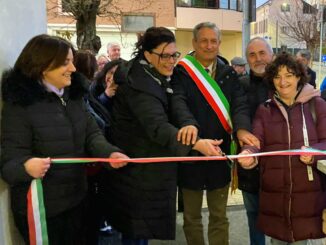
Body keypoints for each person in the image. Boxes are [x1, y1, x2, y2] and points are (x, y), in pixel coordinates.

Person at [0, 34, 128, 245]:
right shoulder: (20, 105)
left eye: (72, 61)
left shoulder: (74, 95)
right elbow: (9, 163)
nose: (73, 69)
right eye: (65, 63)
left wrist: (109, 153)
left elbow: (92, 134)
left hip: (77, 200)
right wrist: (26, 167)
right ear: (43, 66)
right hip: (44, 211)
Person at [102, 26, 222, 245]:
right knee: (135, 232)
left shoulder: (153, 74)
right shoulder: (137, 84)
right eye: (164, 56)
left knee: (140, 231)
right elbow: (157, 126)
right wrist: (196, 144)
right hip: (136, 172)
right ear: (148, 54)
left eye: (174, 55)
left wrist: (189, 125)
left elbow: (176, 102)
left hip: (146, 170)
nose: (171, 61)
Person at [170, 22, 258, 245]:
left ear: (219, 43)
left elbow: (239, 105)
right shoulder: (181, 71)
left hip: (219, 152)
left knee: (219, 216)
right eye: (204, 41)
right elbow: (178, 101)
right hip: (191, 150)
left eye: (213, 41)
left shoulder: (229, 73)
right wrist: (189, 125)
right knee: (191, 217)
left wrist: (242, 129)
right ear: (194, 43)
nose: (209, 46)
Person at [238, 52, 326, 244]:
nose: (282, 81)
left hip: (309, 198)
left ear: (298, 77)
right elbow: (256, 141)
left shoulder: (317, 105)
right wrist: (248, 154)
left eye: (288, 75)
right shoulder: (265, 109)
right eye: (277, 76)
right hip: (275, 197)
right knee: (277, 241)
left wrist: (313, 154)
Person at [237, 37, 274, 245]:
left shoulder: (285, 82)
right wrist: (241, 131)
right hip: (249, 162)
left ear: (271, 55)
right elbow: (237, 112)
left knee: (281, 217)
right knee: (254, 216)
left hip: (280, 165)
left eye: (262, 53)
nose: (258, 59)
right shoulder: (240, 84)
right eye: (252, 54)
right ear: (247, 59)